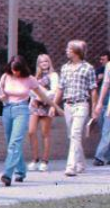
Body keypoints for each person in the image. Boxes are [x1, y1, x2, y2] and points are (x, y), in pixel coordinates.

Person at [0, 56, 62, 186]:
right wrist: (0, 97)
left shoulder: (29, 79)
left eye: (18, 70)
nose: (15, 73)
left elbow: (44, 96)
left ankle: (7, 174)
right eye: (13, 70)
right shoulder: (5, 77)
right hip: (7, 110)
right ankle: (21, 171)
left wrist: (56, 107)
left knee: (15, 142)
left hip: (22, 110)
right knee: (11, 143)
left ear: (22, 68)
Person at [54, 40, 97, 177]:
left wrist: (95, 108)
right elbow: (60, 88)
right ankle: (81, 163)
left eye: (69, 48)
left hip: (81, 104)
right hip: (68, 105)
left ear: (76, 51)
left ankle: (70, 166)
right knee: (71, 136)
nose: (66, 50)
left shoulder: (88, 68)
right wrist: (54, 106)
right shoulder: (64, 68)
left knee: (75, 134)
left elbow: (93, 90)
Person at [26, 54, 60, 172]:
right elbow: (30, 90)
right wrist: (35, 97)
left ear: (49, 62)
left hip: (46, 105)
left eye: (46, 61)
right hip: (35, 105)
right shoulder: (36, 76)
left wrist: (42, 97)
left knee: (45, 133)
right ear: (38, 64)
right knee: (31, 131)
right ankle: (35, 159)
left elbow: (54, 91)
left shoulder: (53, 75)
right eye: (41, 62)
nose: (44, 63)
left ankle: (45, 161)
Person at [92, 53, 110, 165]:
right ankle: (105, 156)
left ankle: (99, 156)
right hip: (105, 101)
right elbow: (105, 84)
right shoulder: (108, 66)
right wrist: (99, 103)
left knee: (107, 130)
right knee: (106, 129)